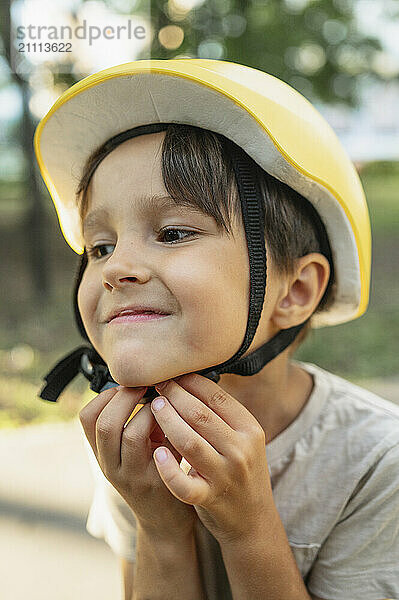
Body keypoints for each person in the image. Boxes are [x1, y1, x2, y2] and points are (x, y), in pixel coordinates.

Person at [34, 59, 399, 600]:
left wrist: (249, 528)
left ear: (295, 292)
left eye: (174, 232)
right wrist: (161, 528)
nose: (114, 268)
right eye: (100, 247)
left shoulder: (375, 465)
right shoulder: (132, 436)